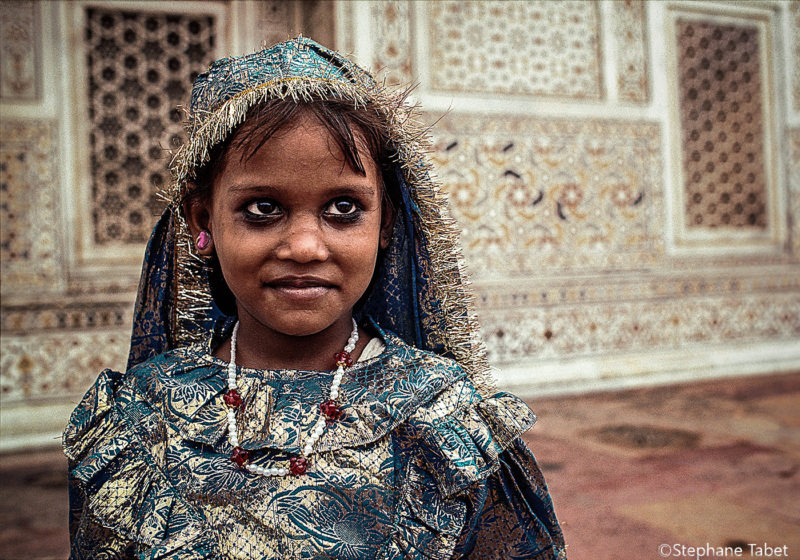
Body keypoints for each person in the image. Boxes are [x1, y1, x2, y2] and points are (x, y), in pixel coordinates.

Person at [63, 37, 567, 559]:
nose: (305, 247)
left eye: (343, 207)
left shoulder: (442, 416)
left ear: (385, 224)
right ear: (203, 221)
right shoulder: (141, 417)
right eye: (262, 208)